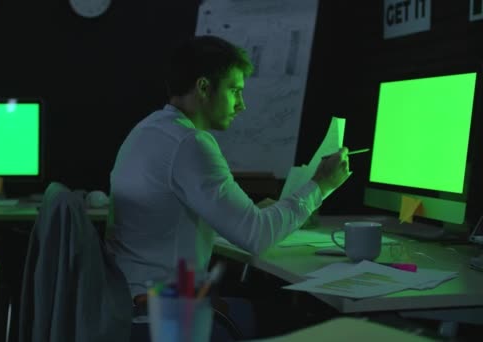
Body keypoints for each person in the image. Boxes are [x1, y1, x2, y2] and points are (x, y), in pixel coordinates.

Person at [106, 35, 351, 340]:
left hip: (126, 305)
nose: (242, 104)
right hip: (160, 318)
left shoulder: (147, 130)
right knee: (310, 324)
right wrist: (321, 184)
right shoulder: (190, 143)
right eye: (235, 90)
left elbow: (170, 218)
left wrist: (247, 214)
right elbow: (256, 236)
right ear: (204, 88)